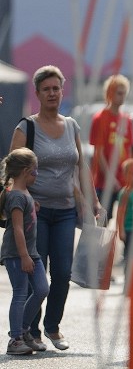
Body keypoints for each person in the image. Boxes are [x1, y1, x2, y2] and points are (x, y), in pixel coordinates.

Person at [9, 65, 101, 351]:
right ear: (37, 93)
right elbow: (12, 171)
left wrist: (92, 199)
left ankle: (53, 326)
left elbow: (79, 165)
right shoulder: (27, 128)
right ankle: (30, 331)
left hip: (65, 211)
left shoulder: (72, 125)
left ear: (63, 91)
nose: (52, 93)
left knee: (62, 272)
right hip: (34, 215)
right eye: (46, 89)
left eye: (56, 88)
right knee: (37, 273)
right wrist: (23, 200)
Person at [0, 148, 49, 355]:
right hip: (17, 253)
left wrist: (32, 208)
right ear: (26, 171)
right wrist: (23, 256)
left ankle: (25, 329)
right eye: (35, 171)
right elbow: (18, 229)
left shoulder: (24, 194)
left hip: (30, 252)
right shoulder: (16, 196)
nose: (36, 175)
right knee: (20, 293)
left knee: (41, 289)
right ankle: (15, 339)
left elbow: (24, 220)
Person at [89, 75, 133, 224]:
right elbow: (99, 153)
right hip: (104, 183)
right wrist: (110, 178)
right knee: (102, 223)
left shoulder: (127, 120)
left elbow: (130, 151)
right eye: (119, 93)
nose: (122, 97)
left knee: (127, 224)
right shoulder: (100, 118)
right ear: (109, 93)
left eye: (124, 93)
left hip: (124, 182)